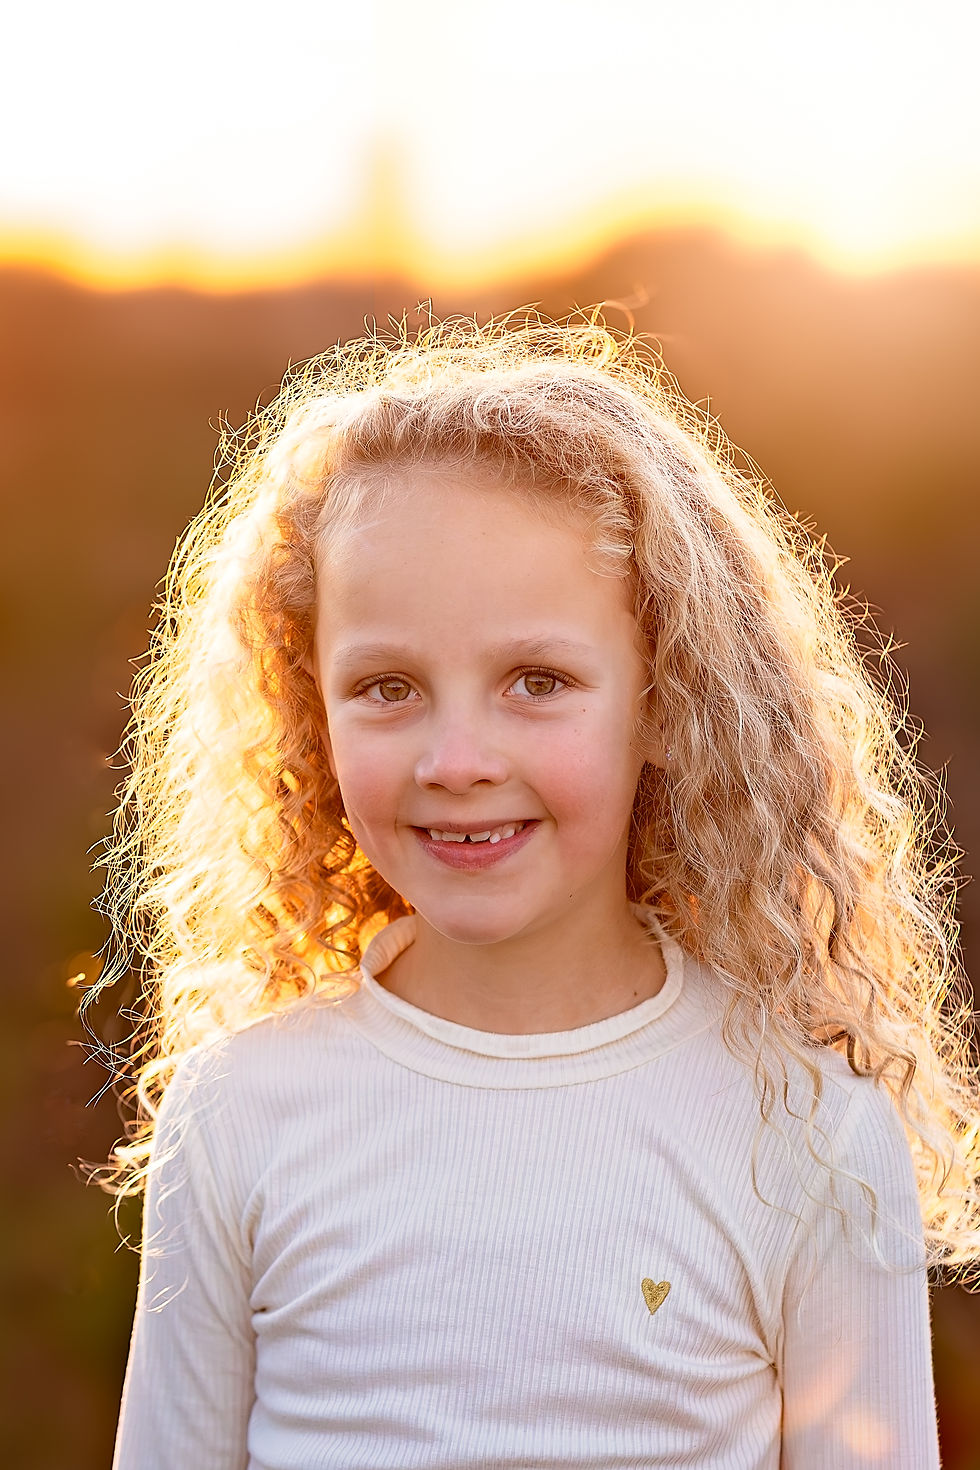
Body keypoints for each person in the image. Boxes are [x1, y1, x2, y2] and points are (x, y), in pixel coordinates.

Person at [97, 314, 980, 1469]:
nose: (455, 758)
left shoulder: (807, 1130)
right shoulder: (238, 1113)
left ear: (663, 701)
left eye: (535, 680)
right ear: (310, 714)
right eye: (386, 686)